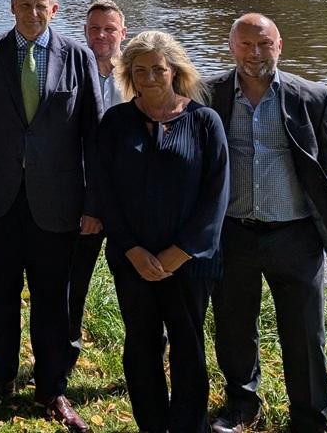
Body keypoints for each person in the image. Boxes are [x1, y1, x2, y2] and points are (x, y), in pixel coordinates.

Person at [0, 0, 102, 433]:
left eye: (43, 7)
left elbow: (93, 137)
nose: (34, 14)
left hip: (58, 200)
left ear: (55, 10)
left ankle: (51, 387)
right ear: (12, 6)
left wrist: (94, 203)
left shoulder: (78, 57)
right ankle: (1, 376)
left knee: (52, 300)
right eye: (26, 5)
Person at [207, 13, 327, 433]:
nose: (255, 53)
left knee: (305, 332)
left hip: (295, 233)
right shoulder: (211, 93)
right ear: (231, 46)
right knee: (234, 325)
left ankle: (309, 419)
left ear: (279, 45)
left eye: (264, 44)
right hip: (233, 232)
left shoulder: (312, 95)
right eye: (246, 44)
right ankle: (241, 406)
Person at [97, 30, 229, 433]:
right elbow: (104, 191)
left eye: (158, 69)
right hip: (132, 261)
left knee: (189, 349)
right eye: (141, 71)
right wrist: (133, 249)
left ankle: (188, 426)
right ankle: (151, 424)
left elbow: (216, 194)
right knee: (141, 346)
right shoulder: (116, 122)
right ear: (130, 76)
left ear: (175, 71)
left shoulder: (204, 122)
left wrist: (181, 252)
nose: (150, 78)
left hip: (188, 265)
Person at [67, 0, 129, 376]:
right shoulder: (71, 71)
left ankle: (146, 363)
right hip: (83, 202)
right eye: (94, 29)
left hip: (129, 205)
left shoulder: (142, 75)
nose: (101, 36)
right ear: (85, 32)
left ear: (123, 32)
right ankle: (64, 359)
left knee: (140, 290)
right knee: (71, 288)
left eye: (109, 29)